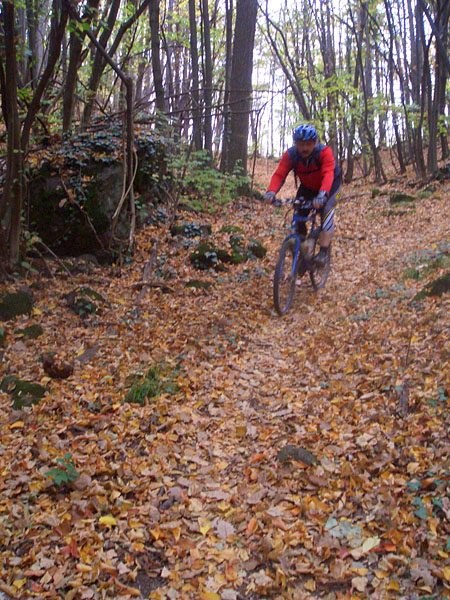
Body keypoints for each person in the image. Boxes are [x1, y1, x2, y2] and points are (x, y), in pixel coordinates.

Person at [263, 124, 342, 267]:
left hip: (331, 186)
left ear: (315, 143)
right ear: (295, 144)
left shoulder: (324, 152)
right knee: (298, 214)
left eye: (308, 144)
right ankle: (303, 251)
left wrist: (323, 194)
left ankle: (323, 252)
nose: (304, 148)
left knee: (327, 211)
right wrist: (271, 192)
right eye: (300, 144)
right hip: (307, 187)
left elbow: (328, 174)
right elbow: (280, 174)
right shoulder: (291, 155)